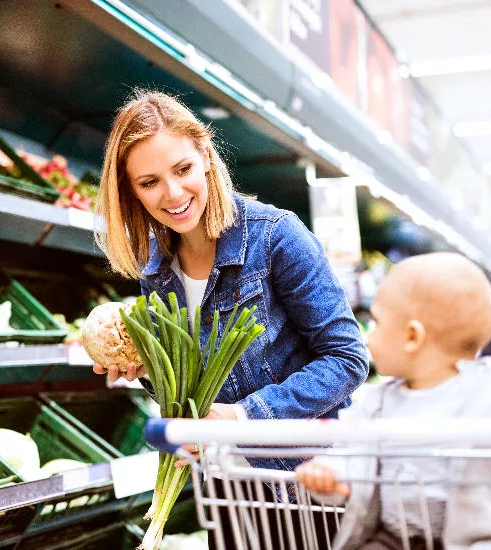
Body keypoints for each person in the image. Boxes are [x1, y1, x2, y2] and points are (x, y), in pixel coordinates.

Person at [89, 90, 369, 545]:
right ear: (129, 191)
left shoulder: (276, 237)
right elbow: (191, 391)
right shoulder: (156, 270)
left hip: (313, 483)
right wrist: (148, 371)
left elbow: (347, 358)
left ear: (204, 155)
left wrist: (245, 417)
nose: (173, 193)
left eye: (182, 170)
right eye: (149, 182)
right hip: (231, 493)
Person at [296, 252, 491, 550]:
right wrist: (329, 472)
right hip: (394, 537)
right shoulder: (380, 401)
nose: (367, 337)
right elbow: (349, 452)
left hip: (480, 536)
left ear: (413, 336)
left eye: (376, 323)